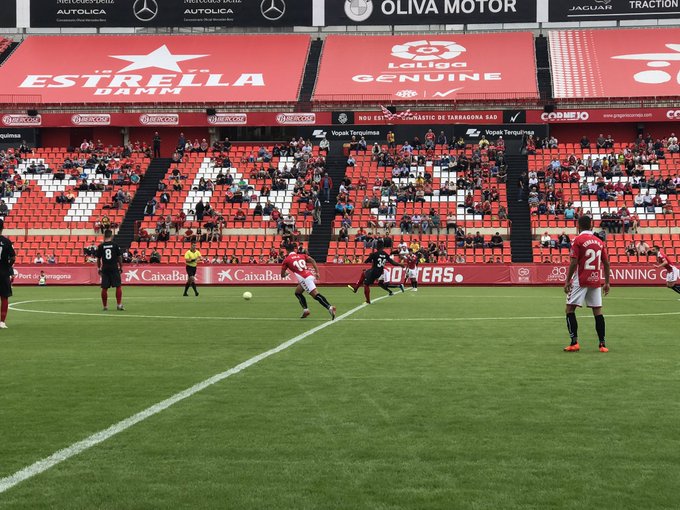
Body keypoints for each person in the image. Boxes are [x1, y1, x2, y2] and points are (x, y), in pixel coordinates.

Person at [563, 215, 611, 353]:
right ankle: (602, 344)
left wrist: (567, 281)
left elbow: (573, 262)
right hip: (596, 280)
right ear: (591, 225)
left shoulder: (578, 240)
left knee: (569, 310)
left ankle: (574, 342)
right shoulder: (599, 241)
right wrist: (607, 282)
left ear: (578, 226)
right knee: (597, 311)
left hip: (581, 279)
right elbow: (606, 263)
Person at [281, 244, 336, 320]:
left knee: (315, 295)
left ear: (286, 250)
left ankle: (330, 307)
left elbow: (282, 275)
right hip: (309, 275)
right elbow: (312, 260)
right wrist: (317, 272)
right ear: (294, 250)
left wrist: (286, 273)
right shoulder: (302, 255)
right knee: (298, 292)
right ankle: (306, 310)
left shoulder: (286, 260)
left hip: (304, 279)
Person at [348, 239, 404, 304]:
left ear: (377, 247)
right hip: (379, 272)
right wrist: (400, 264)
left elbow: (366, 261)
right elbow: (392, 262)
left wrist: (370, 257)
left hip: (374, 271)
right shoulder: (385, 254)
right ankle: (356, 288)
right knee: (364, 274)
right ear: (383, 247)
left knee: (366, 284)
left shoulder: (374, 254)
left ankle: (368, 301)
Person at [96, 229, 124, 311]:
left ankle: (105, 306)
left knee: (104, 288)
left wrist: (99, 268)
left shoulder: (101, 246)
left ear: (104, 236)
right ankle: (119, 305)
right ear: (111, 236)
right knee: (118, 286)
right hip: (114, 267)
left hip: (105, 268)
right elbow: (119, 257)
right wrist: (121, 266)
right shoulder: (115, 245)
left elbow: (98, 259)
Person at [0, 219, 16, 328]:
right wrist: (8, 265)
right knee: (4, 297)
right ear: (2, 228)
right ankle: (2, 322)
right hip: (3, 273)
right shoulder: (6, 241)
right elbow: (13, 257)